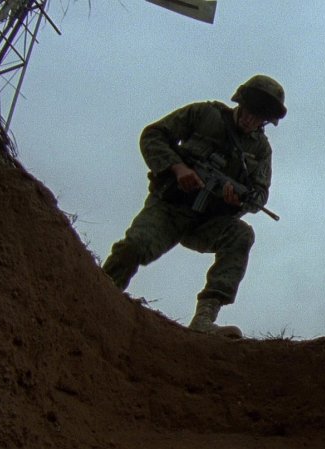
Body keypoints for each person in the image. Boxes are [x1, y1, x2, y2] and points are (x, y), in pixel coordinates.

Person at [101, 74, 287, 338]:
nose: (251, 120)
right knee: (133, 247)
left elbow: (259, 195)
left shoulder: (261, 150)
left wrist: (237, 201)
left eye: (259, 118)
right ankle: (98, 290)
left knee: (241, 234)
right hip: (169, 208)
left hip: (207, 222)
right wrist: (178, 168)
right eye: (249, 112)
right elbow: (153, 135)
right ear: (240, 103)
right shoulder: (205, 114)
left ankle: (204, 318)